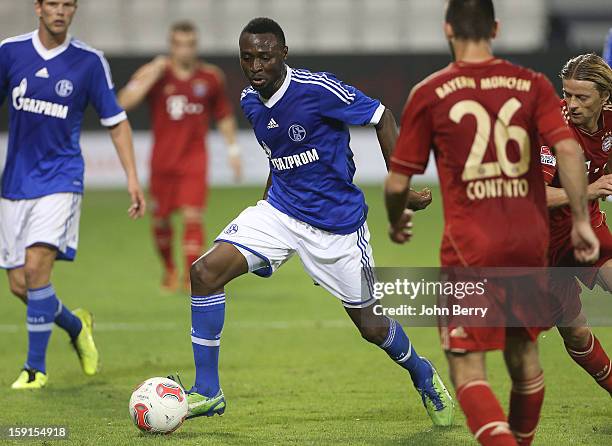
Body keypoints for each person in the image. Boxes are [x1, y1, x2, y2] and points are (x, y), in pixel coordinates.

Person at [175, 17, 453, 426]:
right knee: (204, 273)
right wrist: (265, 211)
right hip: (280, 212)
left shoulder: (317, 89)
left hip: (337, 228)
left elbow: (382, 115)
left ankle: (423, 373)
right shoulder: (252, 102)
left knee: (372, 327)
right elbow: (279, 154)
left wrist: (401, 183)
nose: (255, 66)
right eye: (247, 58)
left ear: (283, 55)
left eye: (265, 57)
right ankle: (208, 390)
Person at [384, 1, 599, 445]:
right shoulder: (533, 85)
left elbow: (397, 181)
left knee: (467, 367)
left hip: (471, 248)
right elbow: (571, 152)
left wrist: (398, 218)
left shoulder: (431, 91)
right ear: (496, 28)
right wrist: (581, 219)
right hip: (528, 246)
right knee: (525, 362)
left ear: (447, 29)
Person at [0, 0, 146, 389]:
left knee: (35, 270)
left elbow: (116, 123)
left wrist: (132, 177)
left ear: (75, 10)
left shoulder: (88, 62)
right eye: (53, 3)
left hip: (61, 180)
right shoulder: (10, 52)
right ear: (38, 7)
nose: (60, 11)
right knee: (20, 285)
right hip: (15, 183)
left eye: (68, 4)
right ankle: (75, 324)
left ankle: (35, 369)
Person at [118, 21, 242, 292]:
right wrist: (152, 72)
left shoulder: (210, 77)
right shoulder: (156, 74)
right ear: (171, 46)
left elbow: (223, 115)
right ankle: (170, 269)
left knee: (192, 215)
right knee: (160, 220)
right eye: (179, 44)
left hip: (194, 160)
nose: (185, 50)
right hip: (162, 161)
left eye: (190, 44)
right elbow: (123, 103)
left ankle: (190, 277)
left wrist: (233, 150)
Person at [540, 53, 612, 394]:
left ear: (604, 98)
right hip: (538, 244)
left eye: (581, 97)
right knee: (576, 332)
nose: (571, 104)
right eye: (566, 94)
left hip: (585, 227)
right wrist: (590, 189)